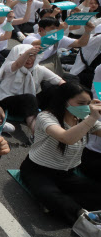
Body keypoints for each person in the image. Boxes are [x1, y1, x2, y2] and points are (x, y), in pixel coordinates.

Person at [19, 82, 101, 226]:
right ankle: (77, 212)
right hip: (38, 171)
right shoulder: (46, 117)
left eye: (89, 103)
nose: (86, 107)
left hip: (66, 174)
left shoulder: (82, 119)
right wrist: (92, 118)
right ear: (64, 101)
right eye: (81, 103)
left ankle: (60, 205)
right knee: (51, 196)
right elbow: (66, 138)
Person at [0, 44, 64, 139]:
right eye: (26, 55)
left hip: (29, 102)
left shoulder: (39, 69)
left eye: (32, 56)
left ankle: (56, 123)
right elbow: (17, 64)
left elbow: (59, 81)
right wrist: (28, 52)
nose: (29, 59)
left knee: (54, 89)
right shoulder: (10, 66)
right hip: (7, 101)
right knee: (29, 98)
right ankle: (35, 133)